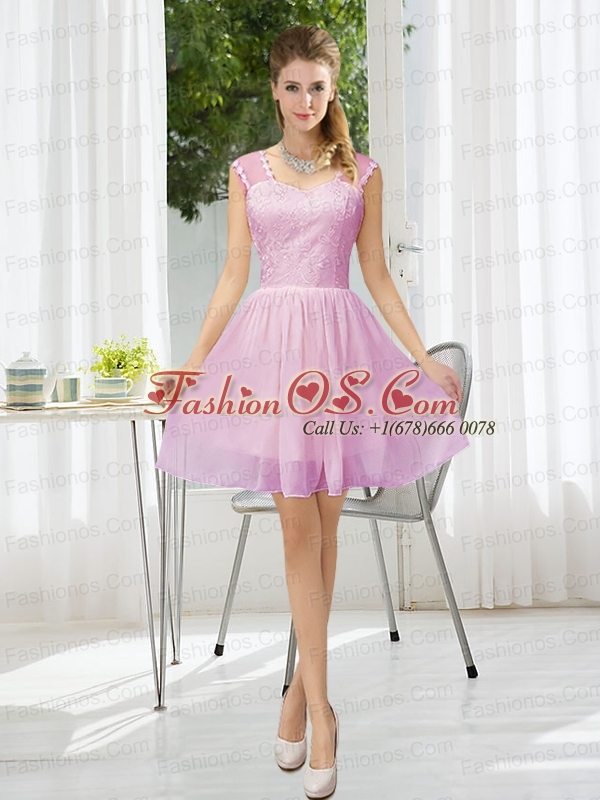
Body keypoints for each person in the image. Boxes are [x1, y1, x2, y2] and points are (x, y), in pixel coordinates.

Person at [154, 25, 469, 799]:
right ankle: (324, 714)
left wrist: (421, 356)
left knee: (325, 532)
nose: (305, 100)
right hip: (271, 359)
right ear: (274, 89)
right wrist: (192, 366)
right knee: (300, 531)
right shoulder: (246, 171)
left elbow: (377, 274)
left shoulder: (362, 172)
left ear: (333, 90)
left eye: (317, 87)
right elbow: (233, 276)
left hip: (341, 357)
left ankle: (297, 696)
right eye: (292, 86)